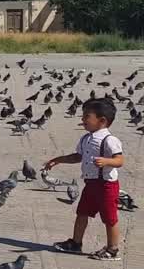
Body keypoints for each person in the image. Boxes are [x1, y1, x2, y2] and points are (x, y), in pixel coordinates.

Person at [46, 98, 125, 260]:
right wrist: (58, 159)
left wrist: (107, 161)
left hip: (106, 185)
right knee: (82, 213)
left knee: (110, 218)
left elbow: (120, 160)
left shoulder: (110, 140)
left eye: (86, 116)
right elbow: (78, 156)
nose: (82, 120)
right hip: (90, 184)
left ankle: (112, 249)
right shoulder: (86, 138)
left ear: (102, 121)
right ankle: (76, 243)